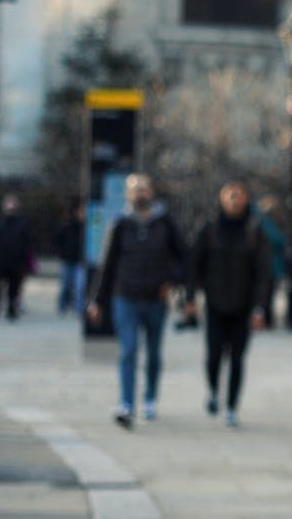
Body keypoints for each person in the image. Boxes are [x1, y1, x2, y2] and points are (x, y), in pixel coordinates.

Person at [88, 174, 185, 429]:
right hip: (126, 297)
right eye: (135, 190)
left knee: (153, 353)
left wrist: (171, 282)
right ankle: (127, 404)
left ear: (151, 192)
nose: (140, 193)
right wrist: (96, 300)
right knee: (128, 350)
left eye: (143, 189)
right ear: (128, 194)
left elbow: (182, 258)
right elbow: (106, 264)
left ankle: (150, 397)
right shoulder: (120, 224)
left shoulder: (165, 223)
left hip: (156, 299)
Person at [184, 181, 271, 427]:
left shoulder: (254, 231)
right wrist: (189, 298)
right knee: (213, 355)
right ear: (222, 200)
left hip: (243, 307)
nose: (235, 201)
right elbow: (193, 264)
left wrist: (260, 308)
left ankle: (232, 406)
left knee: (236, 359)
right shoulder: (210, 228)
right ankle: (213, 391)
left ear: (245, 200)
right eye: (230, 196)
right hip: (215, 304)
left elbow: (264, 273)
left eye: (239, 196)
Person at [0, 195, 33, 321]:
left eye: (13, 204)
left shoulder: (23, 223)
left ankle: (11, 309)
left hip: (15, 262)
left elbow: (28, 242)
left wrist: (24, 257)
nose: (10, 207)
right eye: (8, 204)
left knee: (13, 288)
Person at [251, 195, 286, 330]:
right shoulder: (263, 222)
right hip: (268, 267)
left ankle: (264, 319)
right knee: (265, 295)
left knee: (265, 295)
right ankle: (264, 320)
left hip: (269, 267)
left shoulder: (261, 221)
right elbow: (278, 240)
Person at [54, 202, 87, 315]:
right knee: (65, 285)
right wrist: (62, 253)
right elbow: (59, 240)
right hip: (68, 260)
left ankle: (78, 308)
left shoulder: (87, 228)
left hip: (80, 261)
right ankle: (62, 305)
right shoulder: (68, 226)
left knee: (79, 286)